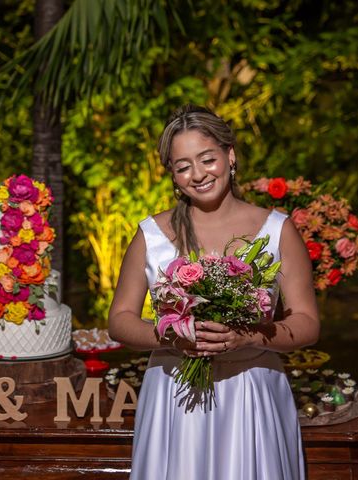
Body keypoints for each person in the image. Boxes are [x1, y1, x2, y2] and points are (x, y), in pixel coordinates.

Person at [108, 105, 319, 479]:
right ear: (172, 174)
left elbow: (306, 321)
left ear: (230, 155)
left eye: (207, 159)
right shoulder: (150, 235)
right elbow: (120, 319)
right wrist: (170, 336)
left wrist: (248, 336)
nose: (199, 174)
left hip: (251, 390)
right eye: (183, 165)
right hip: (175, 394)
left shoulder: (277, 231)